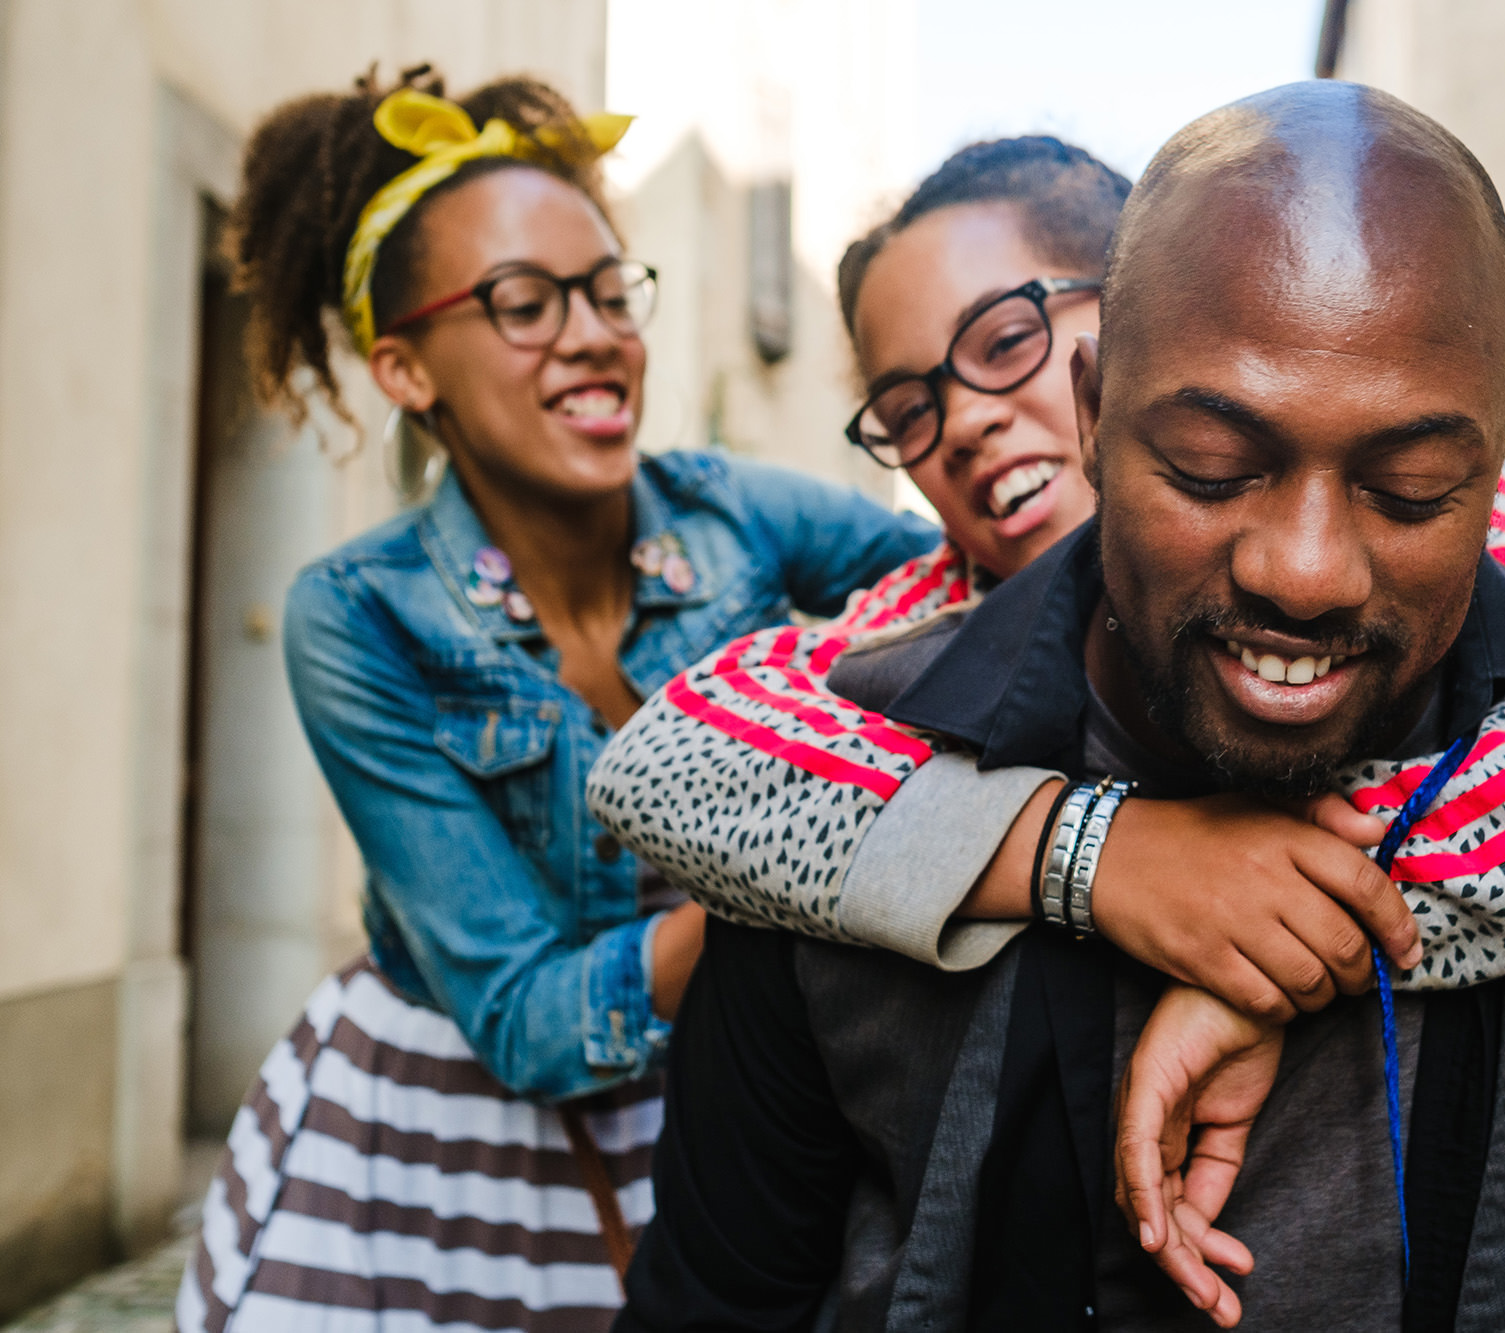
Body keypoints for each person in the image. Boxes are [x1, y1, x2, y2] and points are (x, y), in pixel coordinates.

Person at [609, 83, 1505, 1332]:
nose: (1310, 571)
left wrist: (1332, 927)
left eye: (1408, 490)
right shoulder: (850, 779)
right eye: (1214, 467)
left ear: (1502, 453)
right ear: (1103, 409)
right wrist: (1087, 855)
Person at [176, 66, 936, 1333]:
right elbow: (526, 1020)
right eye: (522, 303)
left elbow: (972, 592)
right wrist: (808, 875)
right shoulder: (359, 615)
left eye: (604, 291)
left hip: (726, 1114)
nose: (591, 334)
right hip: (432, 1150)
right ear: (405, 368)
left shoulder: (734, 513)